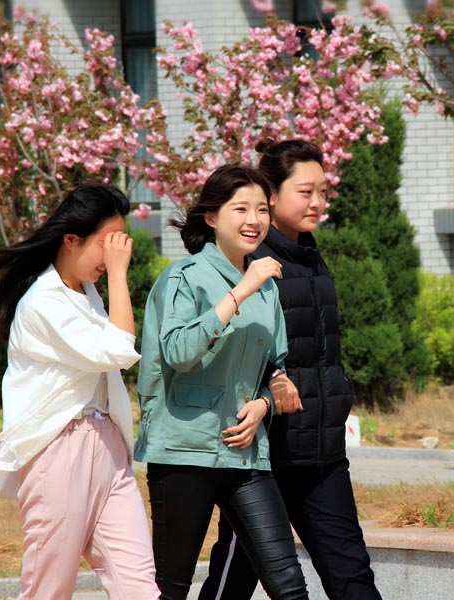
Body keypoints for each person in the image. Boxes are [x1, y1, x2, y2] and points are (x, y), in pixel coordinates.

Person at [199, 140, 383, 600]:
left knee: (353, 576)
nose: (317, 202)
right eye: (306, 192)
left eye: (323, 191)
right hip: (265, 457)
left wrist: (339, 395)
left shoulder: (311, 258)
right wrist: (272, 382)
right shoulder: (249, 264)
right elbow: (228, 350)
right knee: (233, 581)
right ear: (272, 196)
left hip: (322, 453)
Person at [136, 163, 309, 600]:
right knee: (171, 588)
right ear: (211, 217)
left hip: (245, 455)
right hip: (183, 451)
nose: (254, 220)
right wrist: (240, 292)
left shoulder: (267, 286)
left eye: (262, 209)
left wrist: (265, 403)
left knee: (288, 583)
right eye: (241, 209)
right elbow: (178, 352)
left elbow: (275, 368)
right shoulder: (183, 278)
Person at [0, 184, 159, 600]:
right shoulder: (43, 301)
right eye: (106, 243)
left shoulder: (87, 292)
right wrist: (119, 274)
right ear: (71, 240)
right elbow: (118, 351)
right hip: (59, 450)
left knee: (139, 587)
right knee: (49, 590)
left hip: (109, 449)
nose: (113, 254)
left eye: (120, 242)